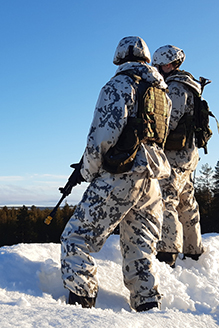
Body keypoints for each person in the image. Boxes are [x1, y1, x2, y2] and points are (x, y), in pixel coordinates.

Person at [60, 36, 172, 312]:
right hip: (153, 178)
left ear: (118, 59)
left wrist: (86, 171)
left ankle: (81, 306)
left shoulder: (118, 85)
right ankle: (148, 307)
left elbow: (101, 138)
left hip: (122, 174)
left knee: (76, 237)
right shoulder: (162, 92)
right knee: (140, 248)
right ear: (147, 59)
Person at [151, 45, 204, 267]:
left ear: (173, 64)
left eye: (162, 65)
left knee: (166, 199)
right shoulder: (189, 86)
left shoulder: (175, 87)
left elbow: (168, 122)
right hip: (188, 154)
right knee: (186, 200)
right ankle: (193, 250)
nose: (159, 69)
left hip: (175, 153)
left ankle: (167, 251)